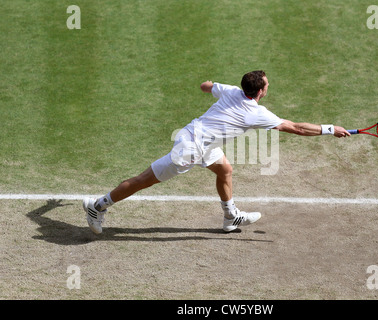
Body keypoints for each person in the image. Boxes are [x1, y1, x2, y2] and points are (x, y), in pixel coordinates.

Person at [83, 70, 350, 234]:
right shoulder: (257, 113)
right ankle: (98, 206)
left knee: (225, 169)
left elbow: (205, 86)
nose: (268, 88)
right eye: (267, 86)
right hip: (190, 149)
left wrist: (211, 84)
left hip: (201, 140)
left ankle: (230, 216)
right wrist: (331, 128)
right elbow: (297, 128)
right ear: (259, 91)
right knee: (143, 181)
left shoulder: (232, 91)